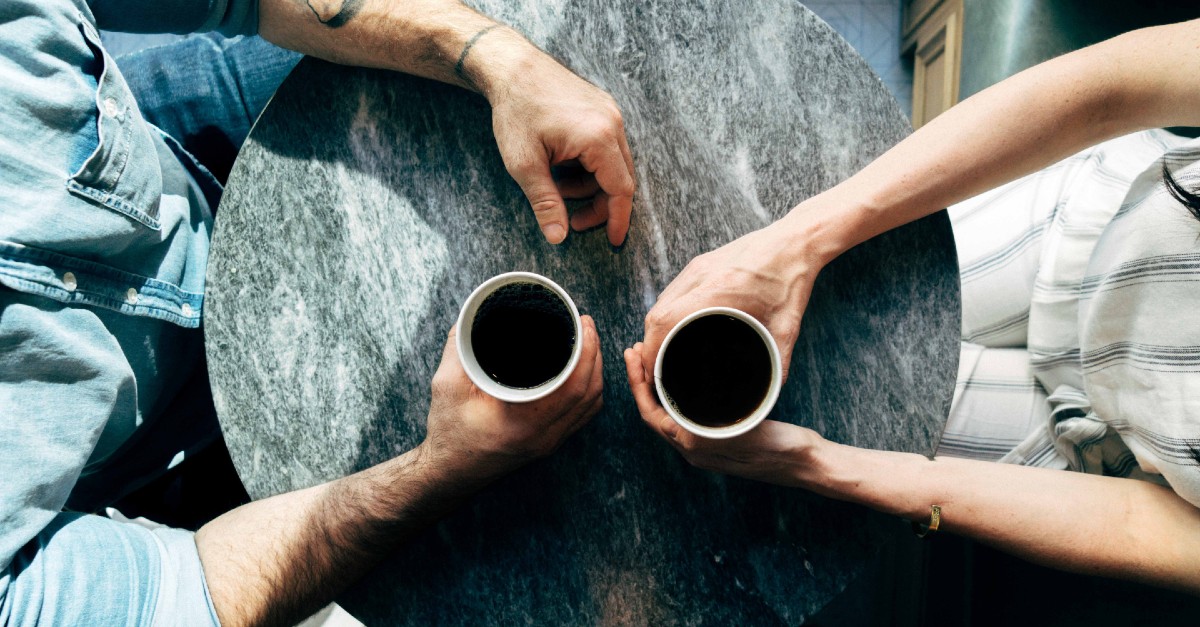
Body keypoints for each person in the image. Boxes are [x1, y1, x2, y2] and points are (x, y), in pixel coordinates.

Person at [0, 0, 633, 625]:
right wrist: (441, 469)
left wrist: (498, 59)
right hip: (155, 433)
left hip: (142, 146)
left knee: (562, 80)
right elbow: (181, 592)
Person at [627, 18, 1200, 594]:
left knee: (849, 419)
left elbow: (1148, 532)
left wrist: (816, 463)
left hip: (1115, 459)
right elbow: (1111, 87)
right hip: (1088, 232)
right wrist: (796, 244)